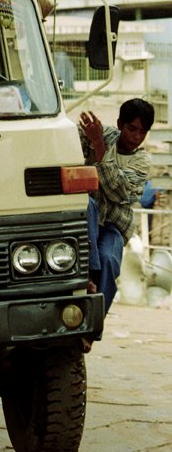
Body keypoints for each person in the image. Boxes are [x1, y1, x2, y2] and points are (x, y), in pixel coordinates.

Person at [79, 99, 154, 319]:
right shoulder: (105, 135)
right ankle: (89, 275)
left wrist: (98, 146)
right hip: (88, 219)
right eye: (132, 129)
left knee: (110, 260)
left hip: (113, 225)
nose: (136, 137)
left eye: (143, 132)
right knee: (88, 203)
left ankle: (93, 326)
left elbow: (119, 192)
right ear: (120, 124)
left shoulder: (141, 160)